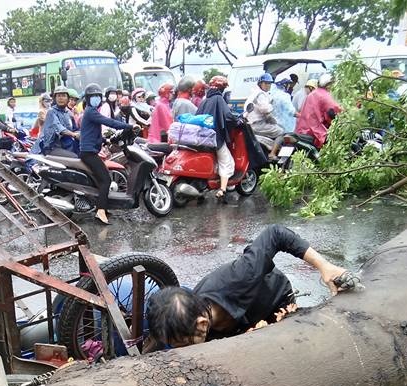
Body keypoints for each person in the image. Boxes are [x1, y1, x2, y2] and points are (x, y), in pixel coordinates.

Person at [143, 225, 351, 351]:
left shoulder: (242, 276)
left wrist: (325, 267)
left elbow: (276, 234)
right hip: (242, 325)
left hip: (274, 301)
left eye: (184, 346)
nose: (182, 351)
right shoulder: (191, 325)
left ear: (202, 324)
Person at [79, 83, 132, 225]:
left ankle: (102, 207)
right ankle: (100, 211)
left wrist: (105, 140)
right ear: (88, 99)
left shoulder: (91, 112)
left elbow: (92, 132)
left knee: (102, 179)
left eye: (98, 96)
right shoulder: (91, 111)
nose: (96, 99)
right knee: (106, 180)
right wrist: (129, 126)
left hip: (90, 151)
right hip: (89, 153)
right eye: (93, 96)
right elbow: (109, 122)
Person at [197, 75, 241, 202]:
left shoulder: (204, 100)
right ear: (221, 89)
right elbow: (228, 116)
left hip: (201, 139)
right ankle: (222, 189)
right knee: (227, 161)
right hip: (214, 138)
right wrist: (237, 121)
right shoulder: (218, 99)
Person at [295, 72, 342, 149]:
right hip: (314, 130)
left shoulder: (313, 94)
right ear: (329, 85)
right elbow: (334, 109)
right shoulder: (324, 95)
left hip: (302, 129)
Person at [35, 86, 77, 155]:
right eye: (58, 96)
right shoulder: (51, 112)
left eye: (63, 96)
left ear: (68, 99)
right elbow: (59, 128)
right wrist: (73, 135)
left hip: (66, 145)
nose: (61, 98)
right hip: (52, 147)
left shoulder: (69, 113)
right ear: (55, 98)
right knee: (75, 157)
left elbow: (75, 129)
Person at [246, 73, 284, 144]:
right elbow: (266, 111)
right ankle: (273, 151)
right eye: (266, 83)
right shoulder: (260, 94)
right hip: (258, 124)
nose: (268, 85)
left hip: (254, 124)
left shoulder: (255, 92)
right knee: (281, 131)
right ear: (260, 84)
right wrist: (274, 121)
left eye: (269, 83)